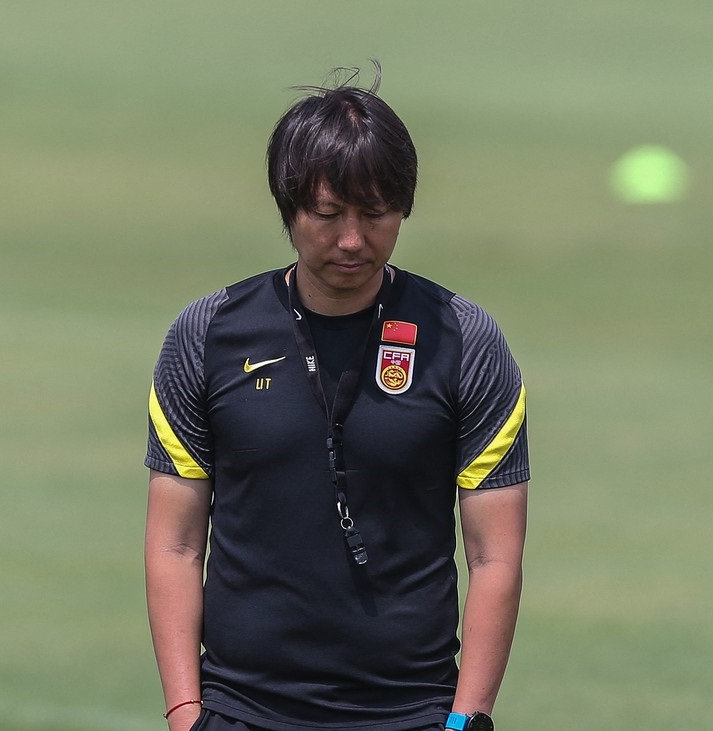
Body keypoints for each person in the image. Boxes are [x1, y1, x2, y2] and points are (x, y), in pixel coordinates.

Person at [144, 72, 529, 731]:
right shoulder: (206, 336)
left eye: (375, 213)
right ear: (288, 208)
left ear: (403, 208)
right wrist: (186, 713)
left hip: (410, 712)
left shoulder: (466, 342)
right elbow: (175, 542)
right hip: (241, 709)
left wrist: (468, 720)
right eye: (328, 215)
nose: (352, 239)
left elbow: (495, 555)